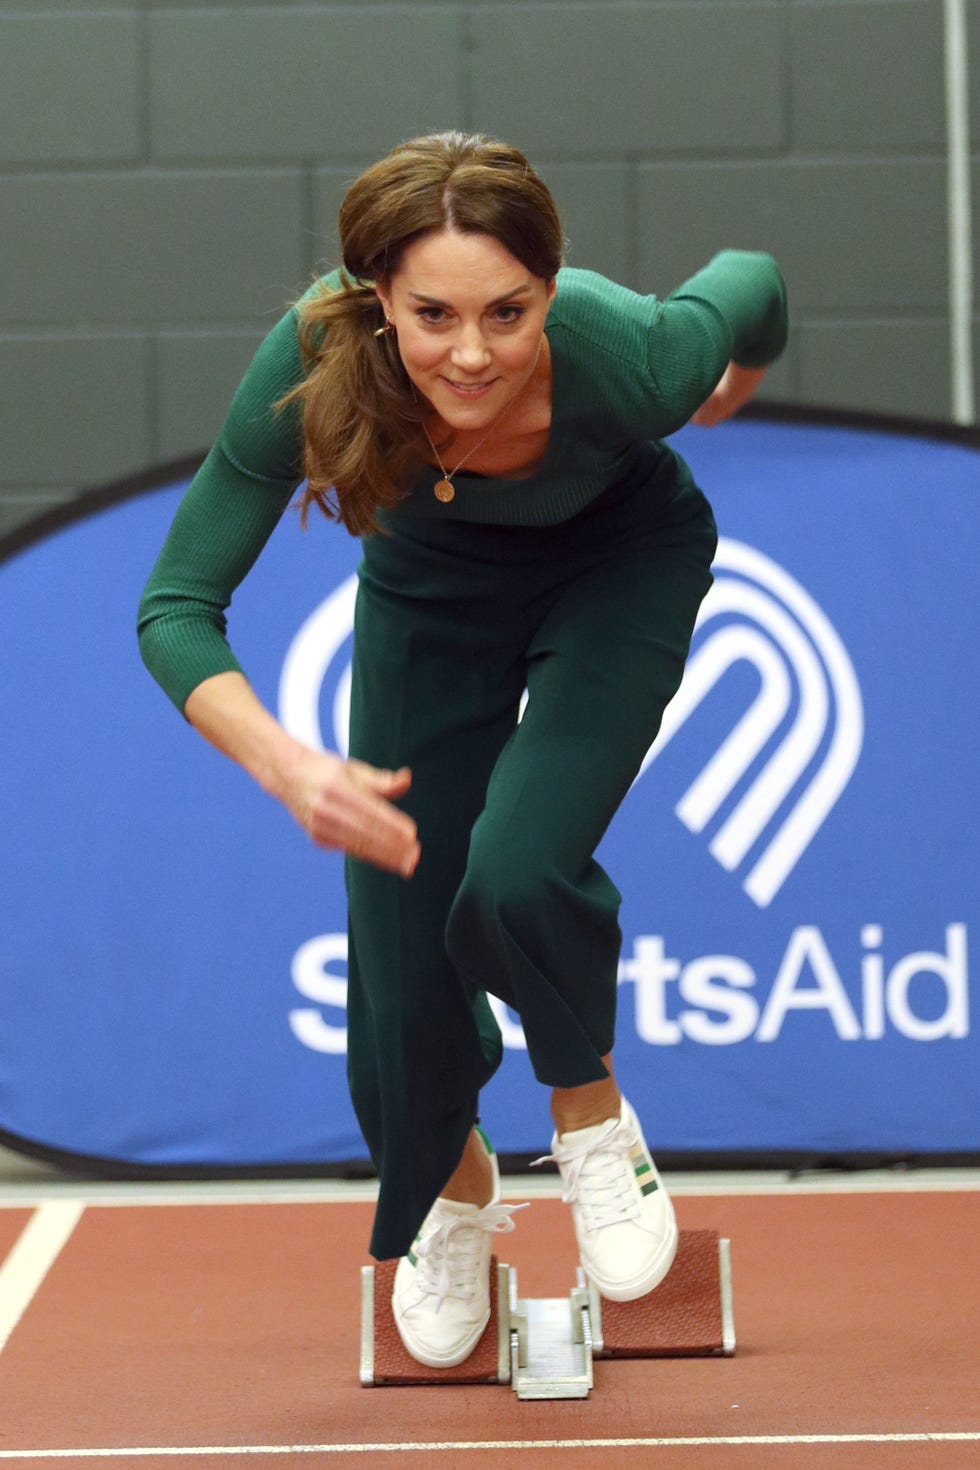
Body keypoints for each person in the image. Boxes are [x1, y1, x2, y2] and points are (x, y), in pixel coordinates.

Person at [138, 131, 787, 1370]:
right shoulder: (315, 358)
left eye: (510, 311)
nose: (472, 352)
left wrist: (732, 382)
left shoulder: (630, 356)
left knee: (516, 868)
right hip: (433, 589)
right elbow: (174, 606)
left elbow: (749, 277)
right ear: (372, 299)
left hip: (619, 565)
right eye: (431, 314)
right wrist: (287, 764)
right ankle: (455, 1190)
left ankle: (589, 1115)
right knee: (394, 966)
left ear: (553, 287)